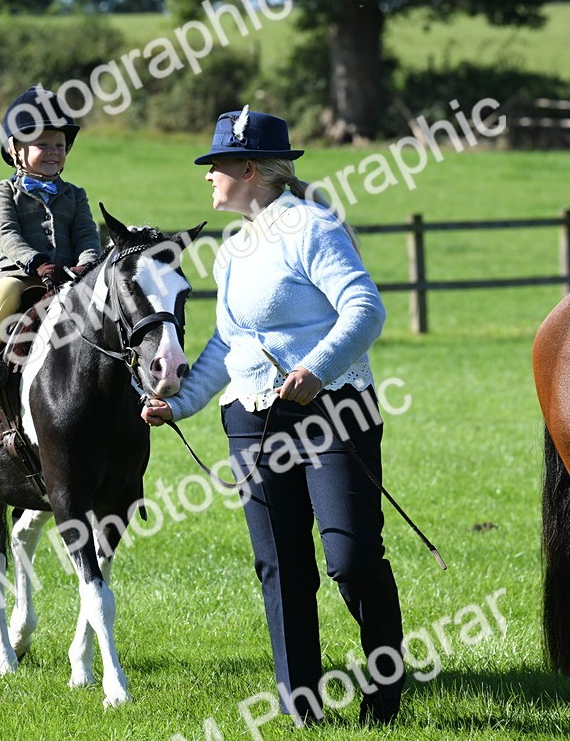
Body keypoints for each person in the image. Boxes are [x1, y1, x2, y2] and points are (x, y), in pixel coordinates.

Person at [141, 107, 404, 726]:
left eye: (218, 166)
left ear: (251, 169)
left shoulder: (312, 228)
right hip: (252, 421)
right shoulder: (230, 253)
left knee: (351, 556)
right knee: (281, 564)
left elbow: (365, 309)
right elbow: (227, 346)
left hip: (334, 411)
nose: (209, 178)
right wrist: (179, 401)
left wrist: (316, 370)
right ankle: (300, 706)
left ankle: (384, 691)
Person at [0, 86, 101, 400]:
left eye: (59, 145)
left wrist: (87, 263)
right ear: (14, 150)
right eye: (42, 144)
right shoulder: (3, 191)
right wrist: (36, 262)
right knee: (5, 290)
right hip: (21, 274)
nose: (54, 151)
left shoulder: (75, 195)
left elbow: (86, 235)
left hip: (68, 278)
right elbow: (6, 232)